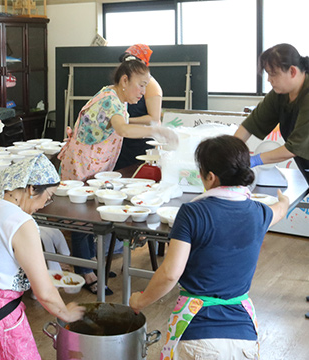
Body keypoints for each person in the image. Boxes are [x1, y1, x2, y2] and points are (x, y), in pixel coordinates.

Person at [129, 135, 289, 359]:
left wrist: (141, 300)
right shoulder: (259, 212)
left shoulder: (193, 213)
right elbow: (279, 211)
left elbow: (170, 274)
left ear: (210, 177)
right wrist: (284, 201)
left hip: (199, 337)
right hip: (245, 339)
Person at [58, 55, 177, 295]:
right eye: (141, 85)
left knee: (92, 213)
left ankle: (92, 262)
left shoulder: (117, 97)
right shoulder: (110, 100)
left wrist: (156, 130)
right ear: (125, 80)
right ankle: (85, 271)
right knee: (83, 217)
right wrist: (156, 129)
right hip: (82, 164)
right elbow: (122, 128)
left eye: (146, 86)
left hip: (96, 165)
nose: (143, 92)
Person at [0, 155, 85, 359]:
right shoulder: (21, 222)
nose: (46, 203)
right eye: (49, 196)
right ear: (31, 188)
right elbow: (44, 292)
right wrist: (66, 314)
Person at [234, 43, 309, 185]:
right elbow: (251, 124)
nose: (269, 80)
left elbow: (293, 147)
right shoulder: (280, 94)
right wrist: (231, 150)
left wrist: (255, 160)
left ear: (292, 71)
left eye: (273, 74)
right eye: (267, 74)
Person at [114, 44, 164, 170]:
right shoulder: (123, 85)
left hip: (140, 143)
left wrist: (124, 120)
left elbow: (154, 118)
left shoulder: (151, 86)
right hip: (125, 140)